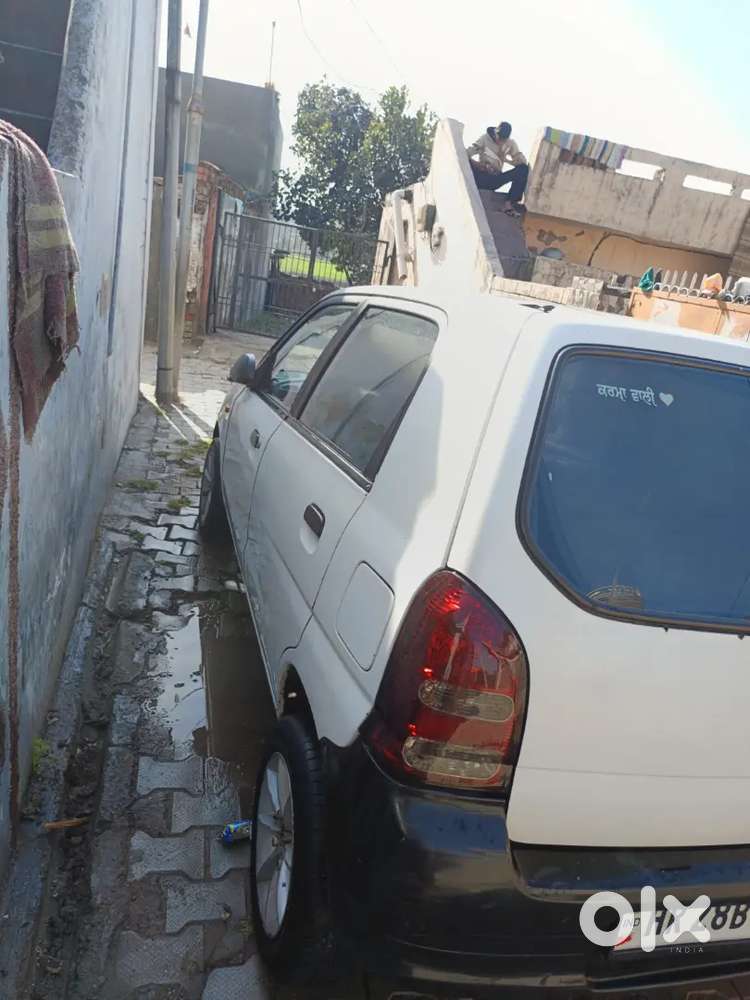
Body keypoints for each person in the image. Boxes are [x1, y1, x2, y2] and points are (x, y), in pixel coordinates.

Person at [466, 121, 529, 214]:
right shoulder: (485, 138)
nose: (500, 141)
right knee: (469, 162)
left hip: (495, 178)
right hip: (481, 176)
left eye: (503, 140)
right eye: (499, 137)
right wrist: (480, 165)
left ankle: (508, 204)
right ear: (496, 132)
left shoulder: (510, 143)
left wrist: (506, 159)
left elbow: (522, 162)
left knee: (523, 169)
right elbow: (467, 154)